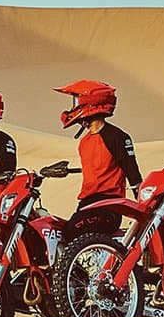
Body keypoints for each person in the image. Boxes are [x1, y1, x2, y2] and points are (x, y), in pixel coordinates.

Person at [57, 79, 140, 239]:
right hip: (86, 204)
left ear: (90, 102)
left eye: (76, 101)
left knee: (71, 231)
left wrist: (144, 206)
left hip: (109, 206)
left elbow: (133, 173)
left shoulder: (117, 137)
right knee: (58, 231)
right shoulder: (84, 142)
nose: (73, 107)